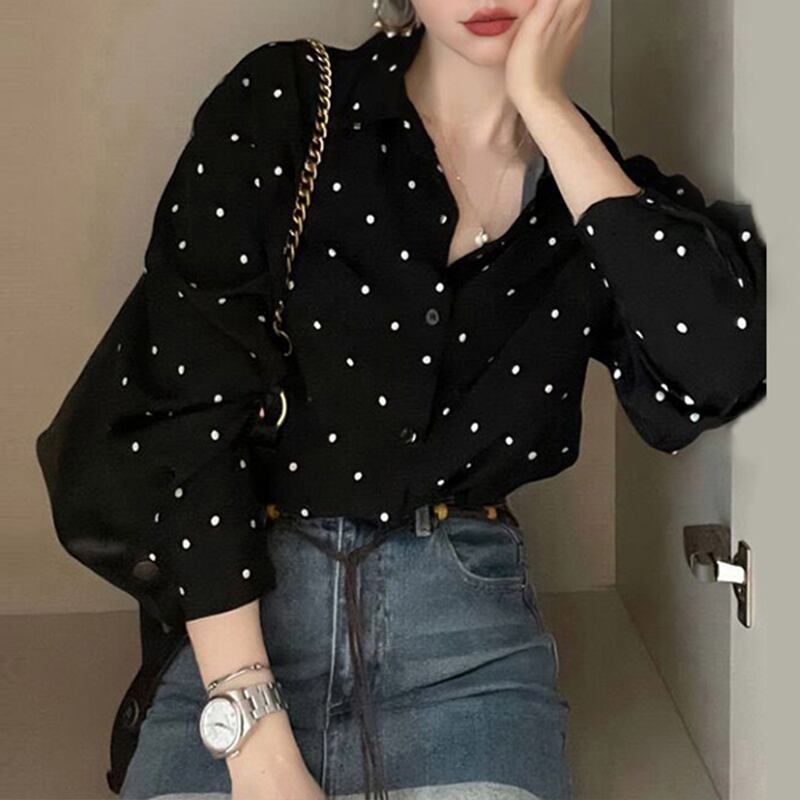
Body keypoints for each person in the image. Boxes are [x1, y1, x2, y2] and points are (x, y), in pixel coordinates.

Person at [35, 1, 767, 799]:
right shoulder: (287, 103)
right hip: (242, 630)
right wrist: (255, 739)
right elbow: (189, 413)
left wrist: (545, 106)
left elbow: (718, 367)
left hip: (469, 639)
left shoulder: (594, 194)